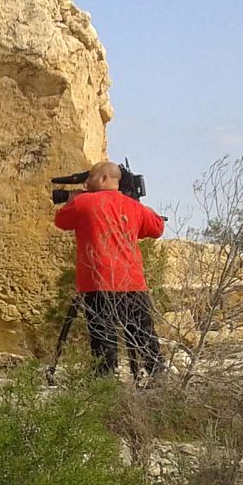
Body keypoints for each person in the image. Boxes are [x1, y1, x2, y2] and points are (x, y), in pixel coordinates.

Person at [53, 161, 167, 379]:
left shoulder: (84, 202)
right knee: (142, 334)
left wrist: (73, 199)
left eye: (91, 177)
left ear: (104, 178)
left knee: (103, 336)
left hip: (97, 281)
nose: (87, 183)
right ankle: (156, 376)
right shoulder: (133, 206)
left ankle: (105, 381)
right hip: (132, 281)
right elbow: (156, 228)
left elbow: (61, 220)